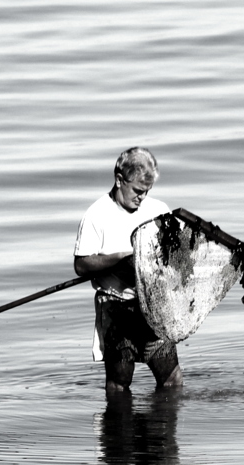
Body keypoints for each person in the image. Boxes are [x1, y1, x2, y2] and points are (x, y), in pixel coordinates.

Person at [74, 147, 182, 396]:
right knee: (119, 383)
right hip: (115, 308)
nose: (142, 197)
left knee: (172, 380)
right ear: (119, 179)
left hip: (152, 308)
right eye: (137, 190)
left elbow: (175, 256)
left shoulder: (159, 211)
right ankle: (117, 431)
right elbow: (81, 265)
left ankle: (163, 424)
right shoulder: (96, 215)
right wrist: (118, 259)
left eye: (147, 191)